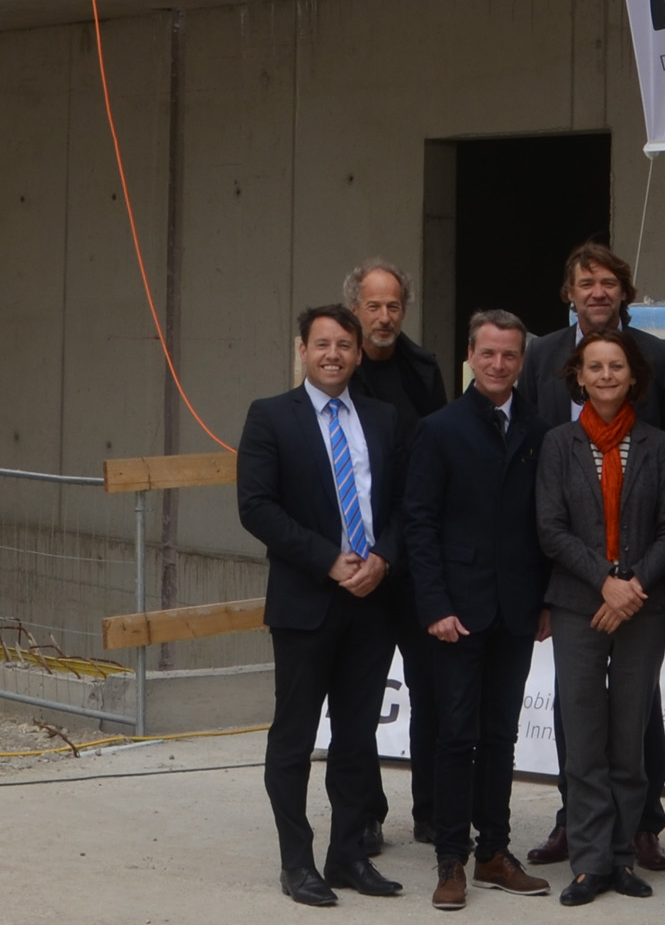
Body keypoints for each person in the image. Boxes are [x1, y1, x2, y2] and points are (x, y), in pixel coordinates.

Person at [517, 242, 665, 871]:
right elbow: (537, 475)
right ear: (570, 292)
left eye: (609, 282)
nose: (597, 292)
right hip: (572, 575)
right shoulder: (540, 356)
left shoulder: (662, 359)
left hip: (642, 576)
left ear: (624, 292)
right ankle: (575, 822)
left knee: (638, 710)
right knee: (578, 711)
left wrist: (643, 580)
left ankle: (642, 826)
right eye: (585, 282)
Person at [240, 303, 412, 907]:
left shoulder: (384, 418)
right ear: (303, 351)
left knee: (358, 738)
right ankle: (297, 861)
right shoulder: (270, 417)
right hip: (306, 602)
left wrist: (383, 559)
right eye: (322, 344)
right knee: (293, 738)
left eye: (344, 344)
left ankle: (347, 855)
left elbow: (403, 505)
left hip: (372, 601)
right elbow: (257, 507)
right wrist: (327, 559)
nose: (333, 354)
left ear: (359, 353)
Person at [404, 309, 557, 908]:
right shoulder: (440, 429)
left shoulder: (538, 431)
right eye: (488, 353)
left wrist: (544, 599)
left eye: (510, 355)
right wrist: (434, 604)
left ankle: (494, 851)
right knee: (454, 736)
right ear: (470, 355)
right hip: (457, 613)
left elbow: (544, 525)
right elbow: (419, 522)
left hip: (517, 609)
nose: (498, 364)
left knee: (500, 737)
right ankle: (451, 859)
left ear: (522, 361)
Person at [349, 257, 452, 853]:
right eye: (373, 306)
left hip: (414, 559)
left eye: (393, 306)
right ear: (356, 309)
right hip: (359, 564)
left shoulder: (422, 369)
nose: (384, 317)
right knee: (361, 697)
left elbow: (435, 460)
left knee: (431, 694)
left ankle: (432, 811)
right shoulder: (339, 365)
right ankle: (365, 813)